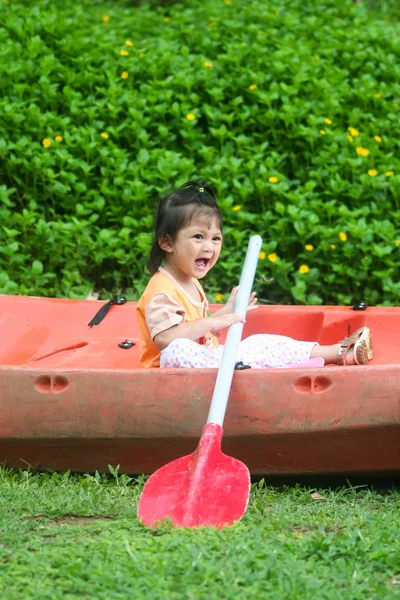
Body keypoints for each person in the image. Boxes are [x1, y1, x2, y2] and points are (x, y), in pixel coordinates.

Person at [137, 181, 373, 369]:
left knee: (258, 342)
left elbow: (199, 330)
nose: (209, 247)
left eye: (215, 238)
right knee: (179, 349)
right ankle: (260, 367)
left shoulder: (189, 280)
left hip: (206, 361)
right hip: (168, 374)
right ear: (167, 242)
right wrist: (216, 321)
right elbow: (167, 339)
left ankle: (338, 352)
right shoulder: (162, 291)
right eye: (198, 237)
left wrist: (228, 312)